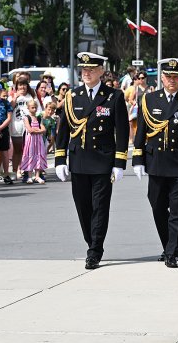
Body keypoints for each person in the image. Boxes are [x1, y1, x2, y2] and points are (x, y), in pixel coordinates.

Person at [54, 52, 129, 269]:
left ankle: (95, 250)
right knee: (83, 207)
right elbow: (64, 130)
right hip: (79, 160)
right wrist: (60, 158)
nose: (86, 73)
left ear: (101, 71)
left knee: (100, 207)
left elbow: (122, 132)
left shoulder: (113, 96)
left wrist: (120, 162)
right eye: (84, 70)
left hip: (102, 160)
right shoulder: (72, 96)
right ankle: (91, 241)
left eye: (91, 70)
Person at [132, 57, 178, 268]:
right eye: (168, 76)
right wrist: (138, 159)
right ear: (162, 77)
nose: (172, 80)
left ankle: (172, 251)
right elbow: (141, 131)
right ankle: (167, 244)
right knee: (157, 205)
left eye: (176, 76)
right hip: (156, 161)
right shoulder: (149, 100)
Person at [10, 74, 36, 183]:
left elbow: (36, 110)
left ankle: (26, 171)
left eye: (24, 85)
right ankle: (15, 171)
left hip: (28, 128)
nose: (22, 87)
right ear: (17, 86)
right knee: (17, 150)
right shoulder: (12, 97)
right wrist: (15, 97)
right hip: (16, 126)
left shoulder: (31, 97)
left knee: (27, 151)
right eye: (20, 85)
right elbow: (10, 108)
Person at [20, 99, 47, 184]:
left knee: (39, 155)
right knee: (30, 155)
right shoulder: (26, 118)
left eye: (35, 107)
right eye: (32, 108)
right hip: (30, 140)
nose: (34, 109)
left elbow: (43, 129)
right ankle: (29, 176)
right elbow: (30, 130)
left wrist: (37, 130)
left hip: (38, 140)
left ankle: (37, 176)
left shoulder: (39, 118)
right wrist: (38, 130)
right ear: (28, 108)